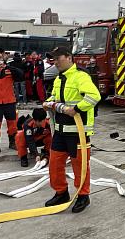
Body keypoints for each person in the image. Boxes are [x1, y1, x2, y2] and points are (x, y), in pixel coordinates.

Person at [42, 46, 101, 213]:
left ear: (68, 57)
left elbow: (94, 96)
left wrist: (76, 108)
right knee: (55, 164)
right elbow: (55, 97)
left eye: (57, 58)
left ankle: (83, 196)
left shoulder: (81, 76)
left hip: (78, 133)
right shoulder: (59, 79)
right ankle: (61, 193)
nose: (55, 62)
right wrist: (49, 102)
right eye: (52, 59)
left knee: (80, 166)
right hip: (61, 132)